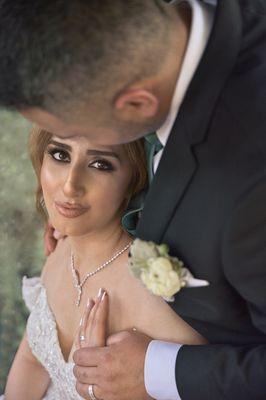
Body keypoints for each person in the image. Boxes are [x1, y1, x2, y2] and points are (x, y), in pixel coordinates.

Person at [0, 0, 265, 399]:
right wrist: (87, 218)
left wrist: (159, 371)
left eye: (77, 130)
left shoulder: (245, 192)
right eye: (58, 152)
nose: (68, 183)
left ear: (138, 105)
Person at [3, 126, 205, 399]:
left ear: (134, 180)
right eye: (60, 155)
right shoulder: (61, 250)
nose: (70, 185)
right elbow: (32, 362)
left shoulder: (157, 298)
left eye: (100, 164)